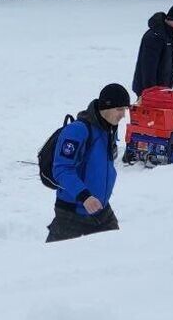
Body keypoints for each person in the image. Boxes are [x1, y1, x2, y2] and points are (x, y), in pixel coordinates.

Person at [46, 83, 130, 243]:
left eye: (125, 110)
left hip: (101, 211)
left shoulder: (108, 129)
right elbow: (62, 169)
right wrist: (85, 197)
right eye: (120, 109)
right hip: (72, 213)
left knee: (116, 254)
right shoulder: (78, 130)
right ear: (106, 107)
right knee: (54, 262)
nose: (123, 115)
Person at [132, 4, 173, 96]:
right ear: (170, 20)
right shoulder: (154, 37)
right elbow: (148, 67)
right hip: (148, 89)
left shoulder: (171, 36)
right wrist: (150, 91)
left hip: (163, 88)